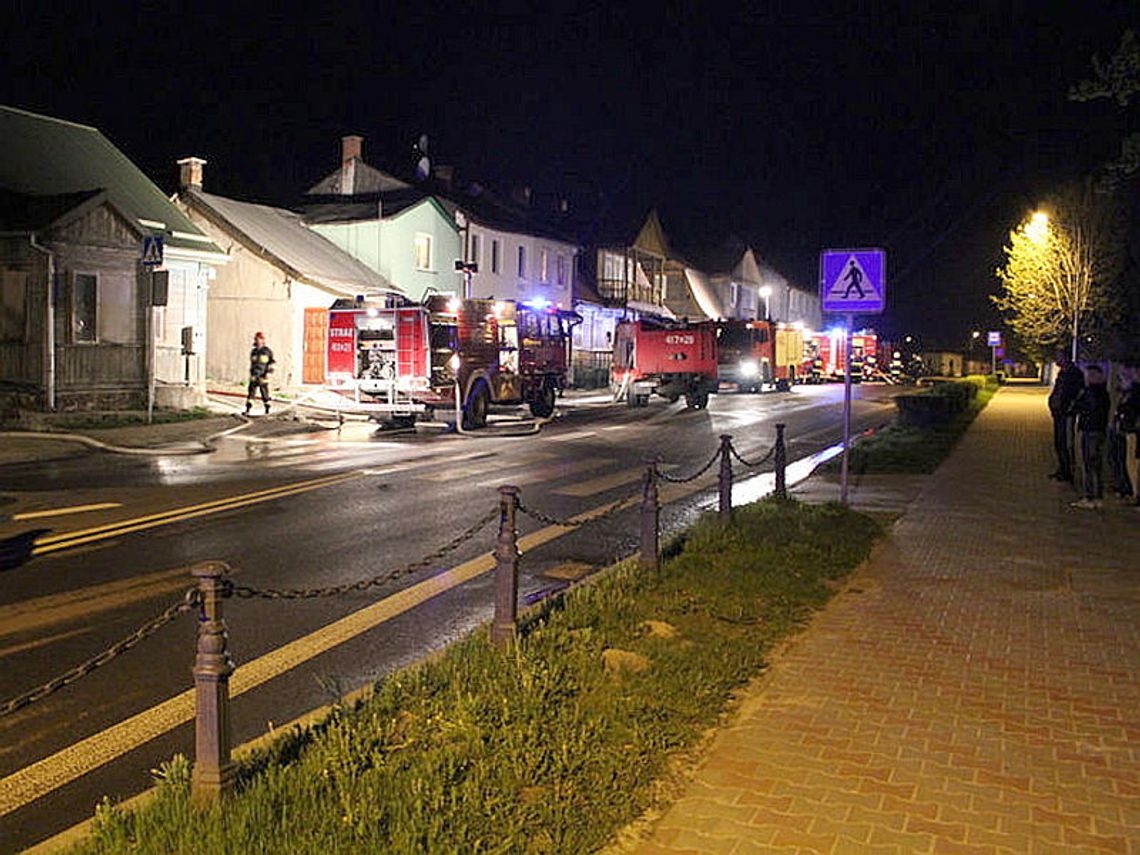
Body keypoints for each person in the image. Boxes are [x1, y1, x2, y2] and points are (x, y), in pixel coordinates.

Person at [1069, 363, 1110, 510]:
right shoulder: (1104, 393)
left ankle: (1089, 496)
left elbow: (1078, 408)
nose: (1086, 378)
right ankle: (1098, 497)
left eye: (1089, 375)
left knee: (1088, 464)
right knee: (1096, 466)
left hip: (1089, 430)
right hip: (1099, 431)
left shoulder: (1090, 393)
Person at [1047, 354, 1084, 482]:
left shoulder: (1074, 374)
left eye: (1060, 358)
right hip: (1058, 413)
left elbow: (1076, 394)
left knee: (1066, 443)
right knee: (1059, 442)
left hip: (1066, 414)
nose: (1057, 360)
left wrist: (1069, 409)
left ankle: (1068, 471)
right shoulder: (1063, 373)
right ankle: (1062, 469)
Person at [244, 331, 275, 416]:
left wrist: (268, 373)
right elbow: (252, 364)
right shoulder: (254, 352)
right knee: (251, 393)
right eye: (257, 339)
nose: (258, 341)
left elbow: (271, 363)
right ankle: (247, 410)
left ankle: (267, 410)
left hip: (263, 375)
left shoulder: (267, 351)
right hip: (254, 375)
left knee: (264, 393)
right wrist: (251, 374)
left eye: (260, 339)